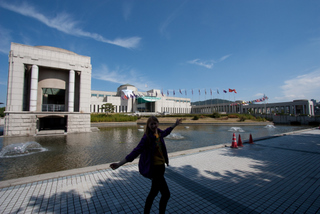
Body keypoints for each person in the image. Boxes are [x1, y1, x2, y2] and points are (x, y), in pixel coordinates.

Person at [110, 116, 183, 214]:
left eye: (155, 123)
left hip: (161, 167)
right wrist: (119, 164)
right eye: (151, 124)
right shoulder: (147, 138)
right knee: (166, 194)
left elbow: (167, 132)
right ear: (148, 125)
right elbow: (135, 152)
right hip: (155, 169)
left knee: (154, 193)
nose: (153, 125)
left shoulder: (159, 133)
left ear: (158, 123)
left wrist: (175, 124)